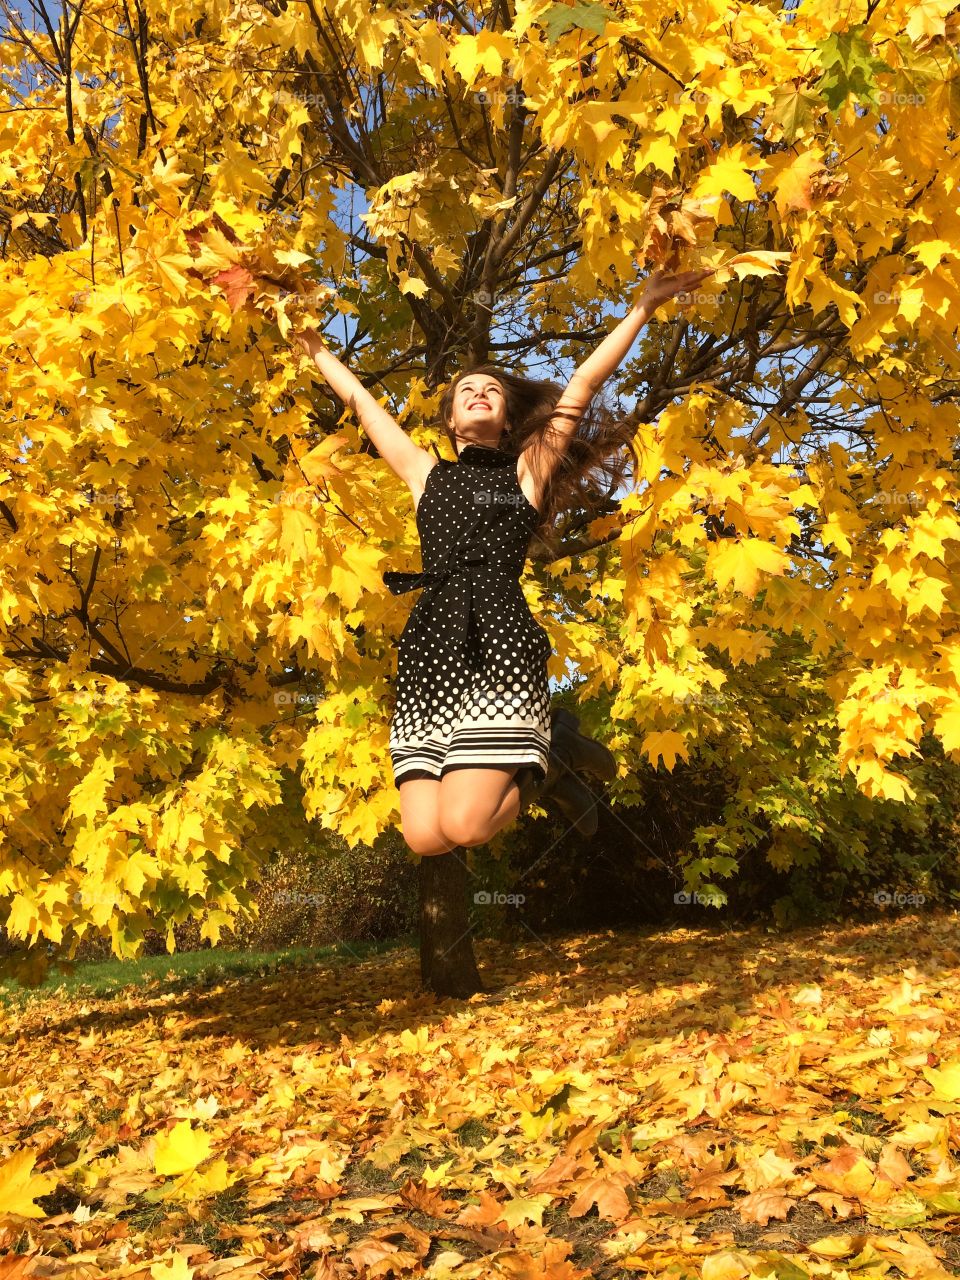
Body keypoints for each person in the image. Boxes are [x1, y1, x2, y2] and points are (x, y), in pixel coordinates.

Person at [290, 265, 715, 855]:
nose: (480, 392)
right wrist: (313, 345)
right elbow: (361, 402)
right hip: (430, 645)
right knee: (425, 839)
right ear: (449, 421)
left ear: (509, 419)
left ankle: (556, 756)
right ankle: (554, 756)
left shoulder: (526, 472)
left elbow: (583, 384)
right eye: (467, 389)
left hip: (499, 640)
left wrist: (642, 306)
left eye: (490, 389)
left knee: (467, 825)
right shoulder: (423, 473)